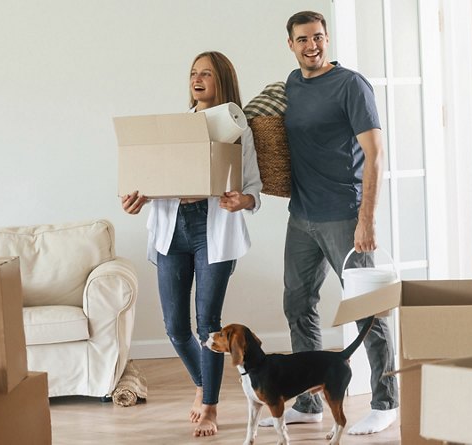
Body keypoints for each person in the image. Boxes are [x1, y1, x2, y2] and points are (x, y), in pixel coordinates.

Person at [258, 11, 399, 435]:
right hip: (301, 216)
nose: (312, 45)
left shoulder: (350, 85)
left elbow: (374, 153)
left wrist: (366, 221)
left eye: (318, 37)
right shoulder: (292, 85)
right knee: (298, 306)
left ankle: (384, 401)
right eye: (302, 39)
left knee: (366, 311)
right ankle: (307, 401)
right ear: (291, 44)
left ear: (327, 39)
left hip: (345, 215)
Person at [121, 51, 262, 438]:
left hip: (211, 228)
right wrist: (138, 198)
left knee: (207, 325)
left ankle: (211, 405)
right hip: (172, 229)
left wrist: (242, 201)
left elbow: (253, 188)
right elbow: (152, 179)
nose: (197, 79)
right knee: (174, 327)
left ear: (222, 81)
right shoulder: (174, 128)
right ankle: (204, 382)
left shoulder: (238, 129)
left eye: (206, 74)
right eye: (192, 73)